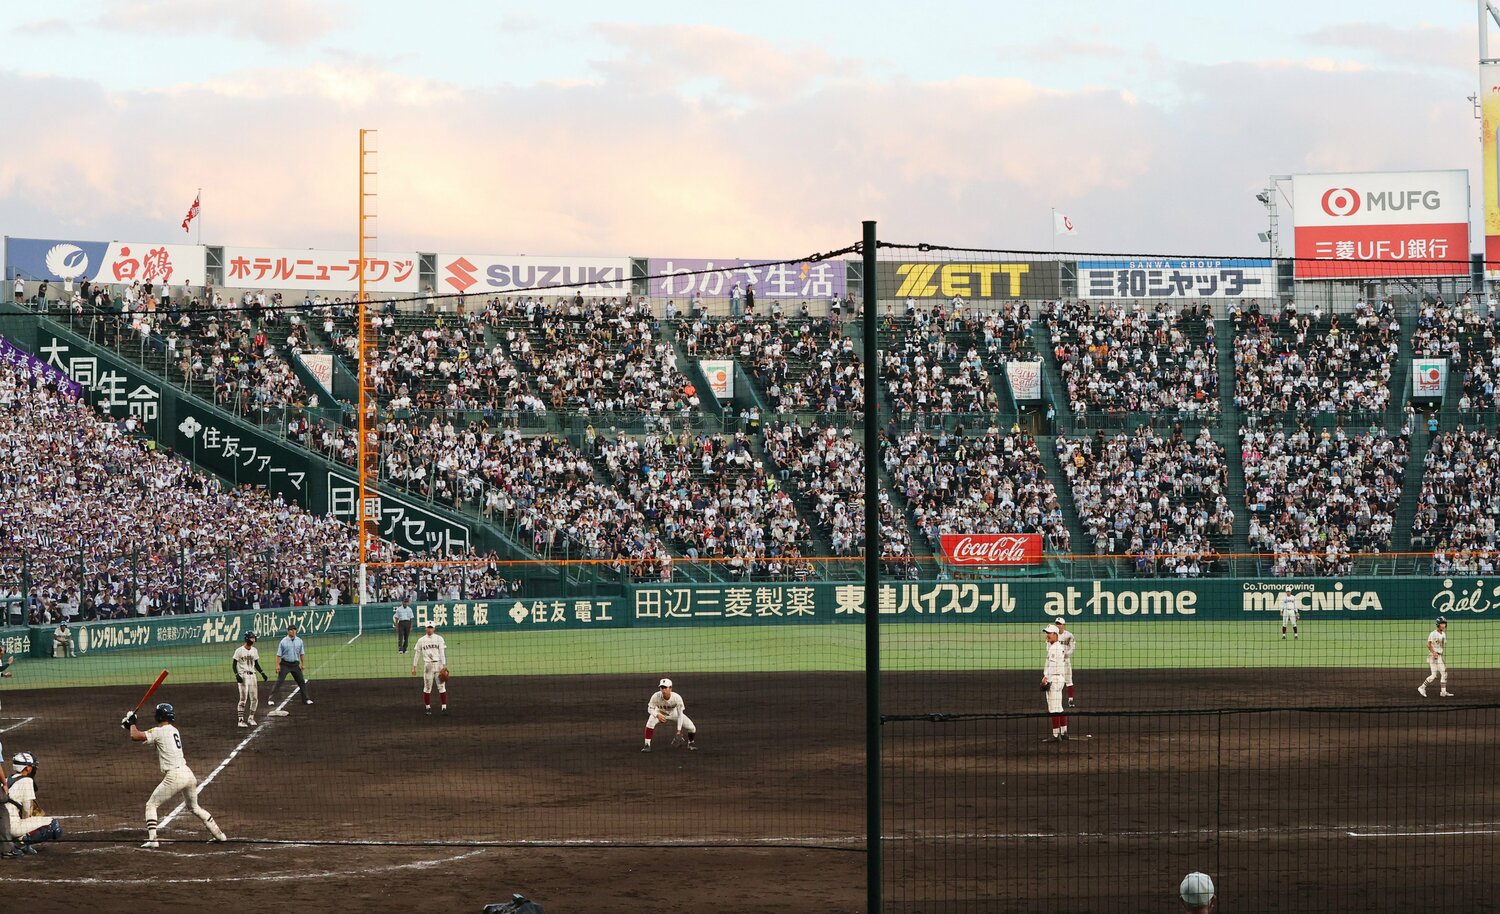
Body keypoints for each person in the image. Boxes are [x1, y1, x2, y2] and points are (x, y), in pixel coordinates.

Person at [122, 703, 227, 847]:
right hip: (188, 774)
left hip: (175, 776)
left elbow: (135, 736)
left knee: (151, 805)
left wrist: (132, 722)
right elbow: (141, 736)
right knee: (194, 807)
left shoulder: (159, 732)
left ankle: (153, 840)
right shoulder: (173, 731)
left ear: (158, 716)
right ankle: (220, 835)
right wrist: (130, 726)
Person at [2, 752, 62, 857]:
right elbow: (27, 810)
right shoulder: (27, 781)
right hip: (12, 827)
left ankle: (9, 842)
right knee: (54, 826)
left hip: (2, 827)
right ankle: (19, 844)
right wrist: (26, 822)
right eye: (32, 766)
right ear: (27, 768)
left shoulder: (6, 780)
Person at [641, 678, 696, 752]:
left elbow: (680, 714)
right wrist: (657, 715)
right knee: (650, 723)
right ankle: (647, 745)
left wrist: (679, 730)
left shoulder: (677, 698)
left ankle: (691, 743)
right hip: (659, 712)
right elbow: (649, 709)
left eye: (665, 688)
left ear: (670, 688)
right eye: (662, 688)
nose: (663, 690)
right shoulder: (656, 696)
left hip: (674, 713)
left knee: (692, 728)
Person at [267, 625, 313, 705]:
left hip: (295, 665)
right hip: (285, 664)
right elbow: (279, 655)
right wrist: (277, 666)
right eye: (291, 630)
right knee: (279, 681)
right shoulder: (283, 641)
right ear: (288, 631)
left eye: (295, 630)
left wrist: (303, 664)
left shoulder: (299, 641)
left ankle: (306, 699)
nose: (293, 631)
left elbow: (302, 654)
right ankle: (271, 699)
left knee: (301, 681)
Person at [410, 621, 449, 715]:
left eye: (431, 627)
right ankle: (428, 708)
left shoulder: (439, 638)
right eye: (428, 627)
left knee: (442, 687)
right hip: (428, 666)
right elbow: (417, 653)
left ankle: (444, 708)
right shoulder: (421, 640)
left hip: (439, 665)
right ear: (425, 628)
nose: (429, 629)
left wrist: (444, 666)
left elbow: (442, 653)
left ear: (434, 628)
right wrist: (414, 666)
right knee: (427, 687)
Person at [231, 631, 268, 728]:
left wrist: (262, 673)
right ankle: (240, 720)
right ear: (247, 639)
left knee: (254, 698)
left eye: (254, 638)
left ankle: (251, 718)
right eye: (252, 638)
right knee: (243, 699)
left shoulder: (254, 650)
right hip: (243, 676)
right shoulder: (239, 650)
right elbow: (234, 664)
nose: (254, 639)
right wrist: (236, 674)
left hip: (253, 676)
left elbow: (256, 663)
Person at [1041, 625, 1069, 740]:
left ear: (1056, 635)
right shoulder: (1057, 646)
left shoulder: (1054, 648)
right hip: (1060, 679)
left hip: (1054, 679)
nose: (1047, 635)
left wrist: (1046, 678)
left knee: (1053, 708)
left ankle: (1055, 735)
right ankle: (1064, 732)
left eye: (1050, 633)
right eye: (1047, 632)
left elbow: (1052, 665)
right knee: (1059, 707)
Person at [1418, 616, 1453, 697]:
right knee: (1438, 674)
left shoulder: (1443, 634)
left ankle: (1443, 692)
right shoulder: (1433, 634)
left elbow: (1442, 646)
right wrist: (1434, 653)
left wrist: (1441, 656)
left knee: (1442, 674)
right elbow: (1428, 645)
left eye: (1444, 623)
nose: (1443, 625)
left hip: (1439, 656)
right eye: (1442, 624)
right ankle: (1422, 687)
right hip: (1433, 656)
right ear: (1438, 624)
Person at [1055, 618, 1077, 707]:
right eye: (1057, 623)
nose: (1058, 625)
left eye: (1060, 624)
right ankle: (1056, 700)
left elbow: (1072, 648)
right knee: (1056, 681)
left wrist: (1065, 654)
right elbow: (1048, 647)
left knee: (1068, 681)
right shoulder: (1052, 635)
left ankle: (1070, 700)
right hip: (1056, 662)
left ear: (1064, 625)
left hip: (1066, 661)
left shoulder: (1069, 635)